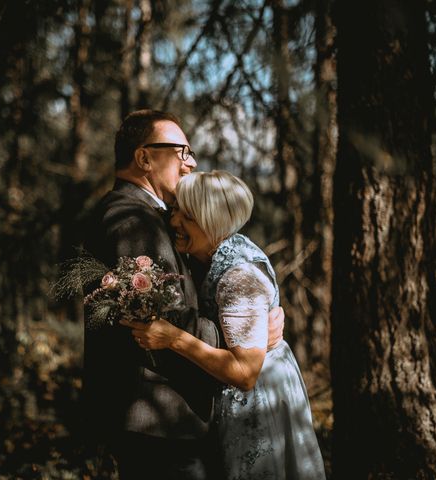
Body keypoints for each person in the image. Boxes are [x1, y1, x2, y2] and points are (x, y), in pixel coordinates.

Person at [82, 110, 285, 480]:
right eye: (182, 152)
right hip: (158, 422)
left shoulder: (146, 216)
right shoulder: (132, 220)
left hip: (163, 420)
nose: (190, 163)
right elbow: (164, 319)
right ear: (145, 158)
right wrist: (246, 337)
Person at [122, 171, 326, 479]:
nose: (174, 221)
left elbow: (244, 374)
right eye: (175, 210)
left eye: (186, 216)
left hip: (258, 404)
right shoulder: (209, 256)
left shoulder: (239, 277)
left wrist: (173, 338)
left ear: (212, 220)